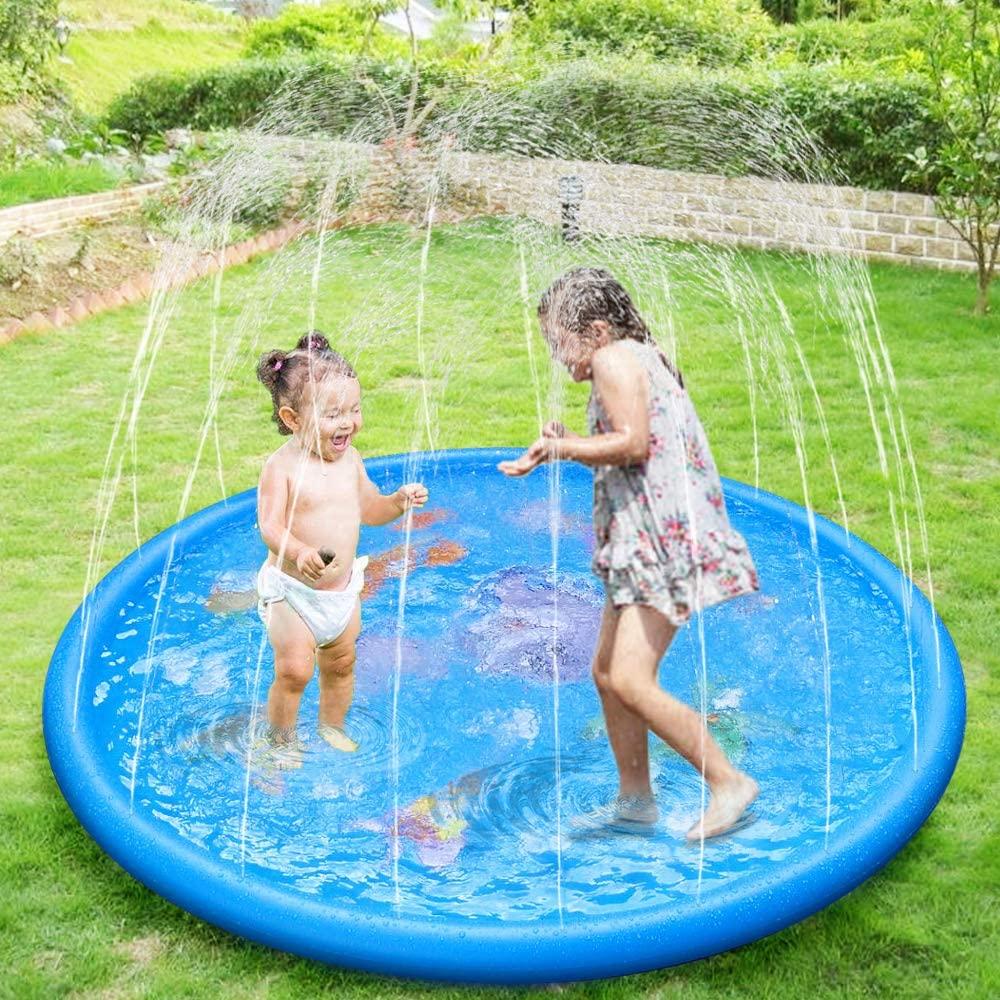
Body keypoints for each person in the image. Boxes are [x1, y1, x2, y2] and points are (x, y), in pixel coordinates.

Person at [499, 268, 760, 840]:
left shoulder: (614, 358)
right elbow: (638, 443)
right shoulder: (638, 356)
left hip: (658, 543)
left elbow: (634, 443)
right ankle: (636, 801)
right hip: (643, 540)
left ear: (595, 331)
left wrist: (564, 449)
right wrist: (573, 440)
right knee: (606, 673)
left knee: (631, 679)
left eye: (559, 342)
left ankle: (729, 781)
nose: (556, 357)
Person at [255, 332, 428, 766]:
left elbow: (369, 509)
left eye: (354, 409)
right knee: (295, 671)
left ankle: (332, 725)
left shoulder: (352, 460)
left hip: (342, 592)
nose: (348, 422)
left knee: (342, 663)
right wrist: (298, 552)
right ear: (293, 418)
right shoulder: (282, 468)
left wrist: (396, 503)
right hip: (292, 593)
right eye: (333, 414)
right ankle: (280, 741)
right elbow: (270, 526)